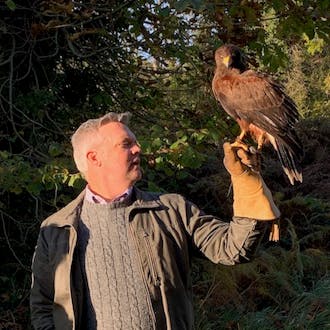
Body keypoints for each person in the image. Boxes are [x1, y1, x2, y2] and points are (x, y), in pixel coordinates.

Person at [30, 112, 280, 330]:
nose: (138, 149)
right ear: (94, 158)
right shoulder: (58, 230)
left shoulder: (170, 210)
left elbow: (233, 249)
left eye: (135, 143)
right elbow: (43, 306)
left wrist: (246, 181)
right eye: (126, 144)